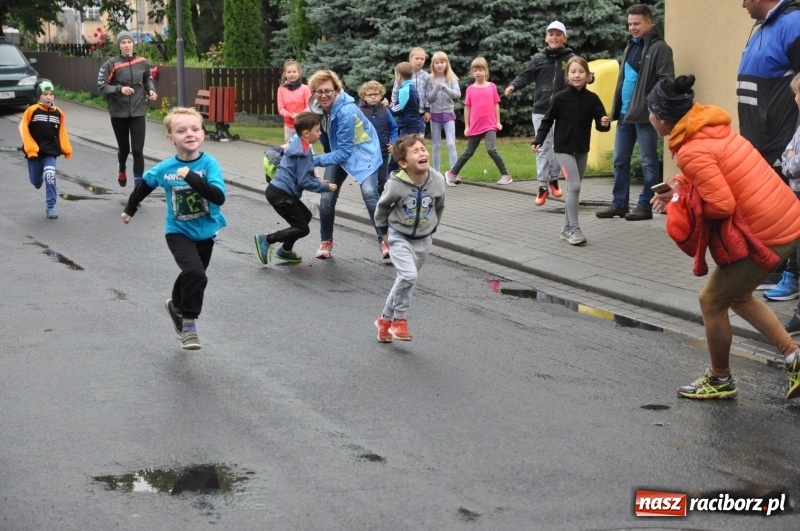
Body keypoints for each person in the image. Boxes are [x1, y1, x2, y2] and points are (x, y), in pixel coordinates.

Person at [647, 75, 800, 400]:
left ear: (661, 118)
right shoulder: (706, 127)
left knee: (711, 301)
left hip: (766, 232)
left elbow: (720, 203)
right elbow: (709, 171)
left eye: (650, 112)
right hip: (786, 217)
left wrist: (679, 201)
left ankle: (720, 379)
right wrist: (679, 183)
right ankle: (793, 356)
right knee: (738, 296)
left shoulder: (690, 148)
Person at [121, 107, 227, 351]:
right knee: (196, 274)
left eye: (195, 129)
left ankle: (176, 305)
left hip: (207, 231)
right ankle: (188, 325)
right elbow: (144, 185)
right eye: (182, 131)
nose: (189, 134)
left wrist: (191, 177)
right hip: (177, 231)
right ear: (171, 138)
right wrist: (130, 208)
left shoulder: (210, 164)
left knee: (193, 273)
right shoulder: (165, 168)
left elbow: (218, 197)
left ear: (202, 133)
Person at [738, 0, 800, 294]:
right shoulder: (763, 27)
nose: (742, 4)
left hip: (782, 143)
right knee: (771, 213)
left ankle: (793, 275)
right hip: (760, 141)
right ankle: (775, 268)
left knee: (789, 212)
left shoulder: (793, 23)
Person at [596, 4, 674, 221]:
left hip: (645, 116)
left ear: (649, 22)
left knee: (649, 162)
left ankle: (645, 206)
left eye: (637, 23)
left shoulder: (660, 48)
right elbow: (624, 81)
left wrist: (650, 105)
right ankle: (619, 204)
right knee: (620, 160)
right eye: (630, 24)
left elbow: (666, 81)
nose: (632, 28)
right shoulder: (630, 46)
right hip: (624, 115)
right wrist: (613, 111)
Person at [307, 69, 387, 260]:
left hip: (363, 154)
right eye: (319, 91)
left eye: (328, 90)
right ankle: (326, 241)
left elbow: (344, 152)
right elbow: (305, 132)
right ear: (314, 93)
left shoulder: (346, 111)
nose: (324, 95)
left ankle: (385, 239)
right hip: (338, 153)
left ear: (336, 90)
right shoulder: (316, 109)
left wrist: (313, 160)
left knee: (369, 192)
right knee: (326, 196)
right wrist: (290, 151)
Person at [374, 135, 445, 342]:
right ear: (403, 163)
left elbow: (439, 206)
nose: (422, 153)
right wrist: (383, 233)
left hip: (424, 239)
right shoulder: (396, 184)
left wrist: (433, 228)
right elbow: (382, 208)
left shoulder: (437, 180)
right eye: (415, 151)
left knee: (404, 279)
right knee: (409, 277)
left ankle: (384, 320)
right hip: (399, 236)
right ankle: (400, 320)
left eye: (423, 149)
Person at [532, 57, 610, 246]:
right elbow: (547, 120)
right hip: (563, 150)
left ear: (588, 76)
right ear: (567, 76)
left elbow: (601, 124)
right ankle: (574, 229)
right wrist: (538, 140)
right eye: (573, 72)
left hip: (582, 149)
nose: (577, 75)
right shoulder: (560, 98)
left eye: (581, 72)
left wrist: (604, 123)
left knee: (574, 188)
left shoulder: (592, 99)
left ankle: (566, 229)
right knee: (574, 186)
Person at [504, 20, 575, 205]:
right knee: (543, 147)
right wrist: (513, 85)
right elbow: (526, 75)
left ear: (564, 38)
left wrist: (588, 79)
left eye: (558, 34)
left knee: (561, 147)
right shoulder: (539, 58)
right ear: (546, 38)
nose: (554, 37)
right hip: (541, 109)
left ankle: (553, 178)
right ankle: (542, 187)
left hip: (564, 110)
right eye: (551, 34)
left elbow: (579, 74)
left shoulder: (570, 58)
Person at [254, 112, 337, 264]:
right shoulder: (303, 152)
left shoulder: (298, 144)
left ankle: (285, 250)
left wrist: (318, 180)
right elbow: (304, 182)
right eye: (317, 131)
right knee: (302, 228)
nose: (320, 134)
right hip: (281, 195)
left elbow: (301, 173)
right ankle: (266, 239)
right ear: (306, 133)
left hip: (280, 192)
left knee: (305, 216)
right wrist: (325, 187)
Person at [97, 30, 158, 188]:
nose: (127, 45)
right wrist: (119, 89)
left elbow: (147, 79)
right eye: (123, 42)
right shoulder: (111, 64)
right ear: (119, 45)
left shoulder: (142, 62)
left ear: (133, 43)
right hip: (119, 113)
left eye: (129, 42)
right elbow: (101, 87)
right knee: (124, 149)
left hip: (138, 111)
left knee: (138, 150)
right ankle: (122, 168)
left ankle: (138, 188)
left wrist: (151, 90)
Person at [444, 57, 512, 185]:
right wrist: (467, 126)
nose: (478, 73)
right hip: (475, 126)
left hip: (490, 125)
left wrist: (498, 122)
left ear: (486, 71)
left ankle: (506, 174)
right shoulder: (470, 89)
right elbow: (467, 108)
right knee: (469, 152)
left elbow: (496, 104)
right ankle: (452, 174)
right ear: (472, 72)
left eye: (480, 70)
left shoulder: (492, 87)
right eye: (475, 70)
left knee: (491, 149)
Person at [18, 79, 73, 220]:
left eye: (51, 94)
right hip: (35, 152)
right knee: (36, 181)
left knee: (50, 175)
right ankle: (37, 180)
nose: (48, 97)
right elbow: (23, 129)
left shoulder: (59, 113)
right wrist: (30, 149)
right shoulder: (32, 111)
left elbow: (62, 132)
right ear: (39, 96)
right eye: (45, 94)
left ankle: (51, 206)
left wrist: (66, 149)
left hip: (50, 152)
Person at [777, 74, 800, 333]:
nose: (794, 98)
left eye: (797, 93)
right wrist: (791, 162)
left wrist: (792, 162)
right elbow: (787, 154)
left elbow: (794, 163)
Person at [427, 51, 461, 185]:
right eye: (437, 63)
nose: (440, 65)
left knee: (451, 143)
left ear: (446, 63)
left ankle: (454, 172)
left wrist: (445, 88)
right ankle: (436, 173)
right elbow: (429, 98)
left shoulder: (451, 78)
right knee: (436, 145)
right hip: (435, 115)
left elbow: (457, 94)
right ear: (433, 64)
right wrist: (436, 88)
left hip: (448, 114)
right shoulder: (430, 78)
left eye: (442, 62)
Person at [358, 80, 398, 195]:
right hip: (366, 154)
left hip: (383, 152)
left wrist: (393, 143)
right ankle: (372, 201)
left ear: (381, 95)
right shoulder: (359, 112)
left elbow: (394, 128)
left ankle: (380, 200)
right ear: (364, 96)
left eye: (376, 94)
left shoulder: (385, 110)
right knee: (369, 181)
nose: (373, 97)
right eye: (370, 95)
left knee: (383, 179)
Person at [390, 47, 431, 134]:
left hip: (420, 112)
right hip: (405, 112)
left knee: (419, 137)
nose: (419, 61)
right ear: (410, 59)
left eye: (422, 59)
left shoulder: (426, 76)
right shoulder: (403, 74)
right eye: (417, 58)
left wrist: (427, 110)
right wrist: (393, 103)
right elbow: (396, 90)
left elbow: (428, 94)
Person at [276, 59, 312, 143]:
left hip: (303, 124)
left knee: (305, 147)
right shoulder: (281, 89)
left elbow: (309, 106)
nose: (292, 74)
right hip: (289, 125)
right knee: (289, 147)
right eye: (289, 72)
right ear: (285, 74)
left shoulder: (305, 89)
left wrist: (299, 115)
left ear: (299, 73)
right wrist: (289, 115)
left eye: (294, 71)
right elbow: (280, 108)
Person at [390, 62, 426, 137]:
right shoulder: (412, 88)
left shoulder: (405, 90)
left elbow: (398, 109)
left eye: (395, 75)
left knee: (405, 148)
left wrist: (387, 108)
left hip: (408, 126)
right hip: (412, 124)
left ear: (399, 76)